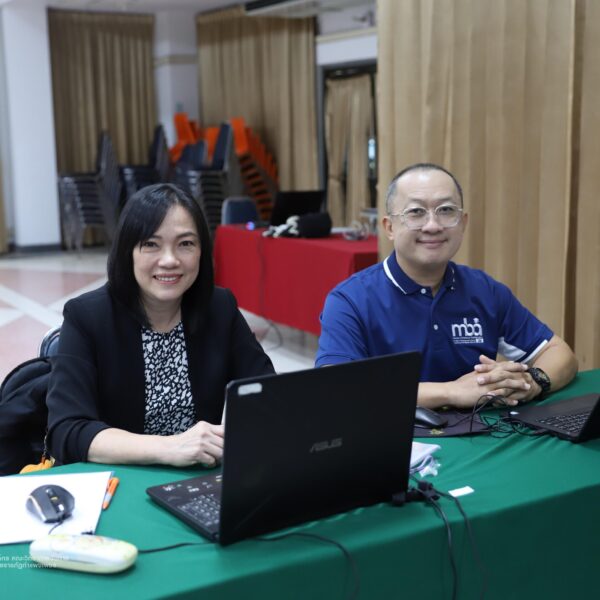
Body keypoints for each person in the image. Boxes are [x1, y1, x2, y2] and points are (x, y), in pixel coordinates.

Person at [47, 183, 274, 467]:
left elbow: (268, 392)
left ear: (202, 251)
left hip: (196, 479)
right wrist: (170, 447)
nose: (170, 260)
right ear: (128, 251)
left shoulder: (219, 308)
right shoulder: (87, 317)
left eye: (185, 244)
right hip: (116, 479)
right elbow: (67, 430)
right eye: (151, 244)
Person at [316, 163, 578, 408]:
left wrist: (532, 382)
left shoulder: (485, 291)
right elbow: (336, 388)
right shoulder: (350, 300)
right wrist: (450, 391)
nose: (433, 225)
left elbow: (558, 353)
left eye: (446, 210)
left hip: (484, 433)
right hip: (395, 436)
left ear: (462, 223)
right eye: (416, 212)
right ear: (389, 227)